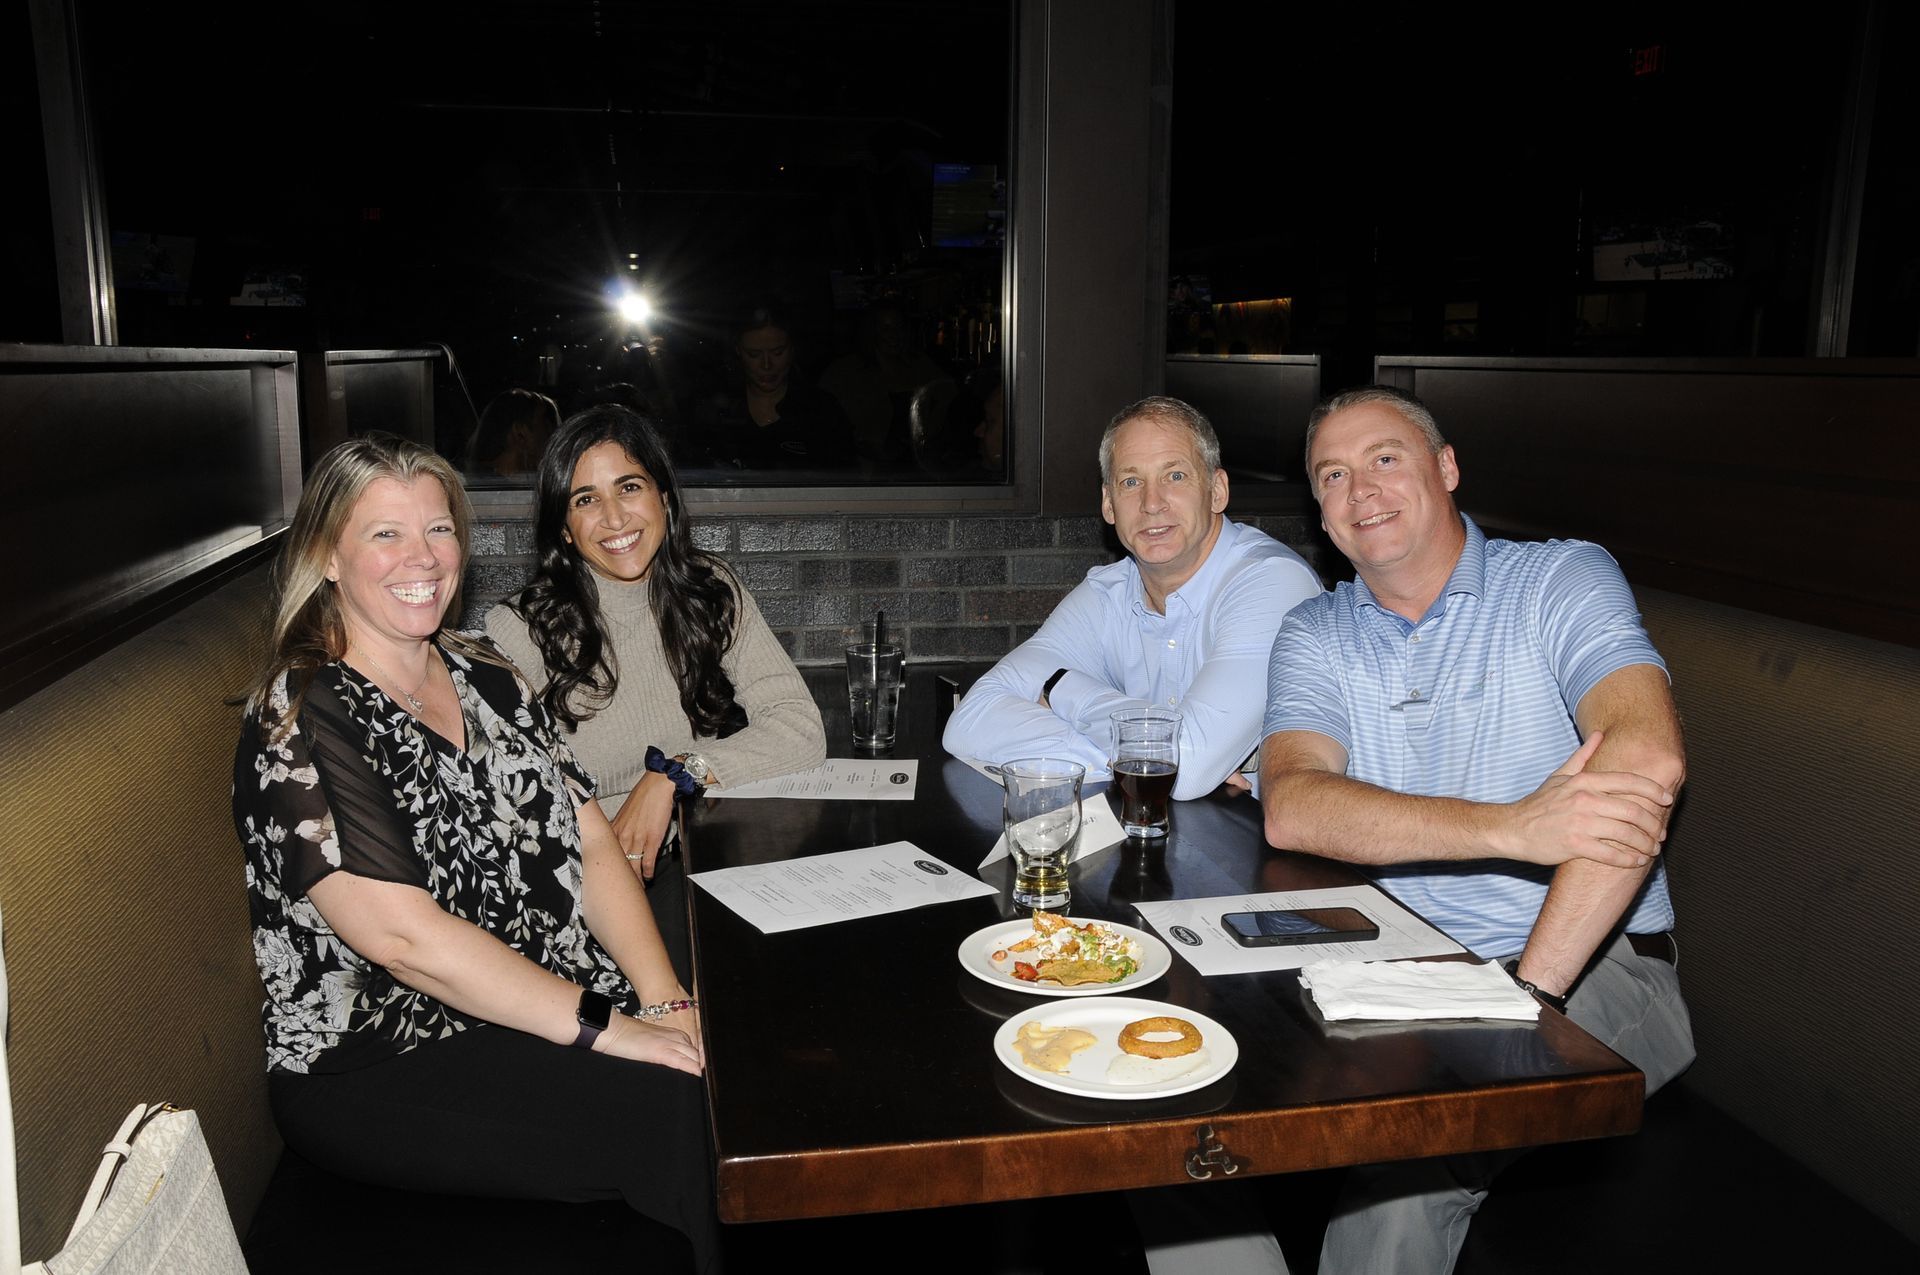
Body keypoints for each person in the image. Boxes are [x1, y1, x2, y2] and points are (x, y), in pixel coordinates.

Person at [232, 434, 718, 1270]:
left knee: (726, 1017)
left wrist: (665, 998)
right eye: (385, 533)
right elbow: (404, 941)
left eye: (439, 529)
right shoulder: (303, 715)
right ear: (327, 557)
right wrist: (610, 1028)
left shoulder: (483, 670)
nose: (422, 557)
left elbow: (588, 835)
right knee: (678, 1108)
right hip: (383, 1055)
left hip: (531, 991)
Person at [1259, 385, 1696, 1274]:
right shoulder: (1315, 630)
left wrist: (1527, 996)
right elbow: (1294, 801)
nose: (1360, 489)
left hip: (1595, 967)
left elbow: (1647, 763)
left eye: (1385, 458)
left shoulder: (1557, 580)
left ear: (1447, 467)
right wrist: (1513, 827)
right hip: (1408, 971)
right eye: (1332, 474)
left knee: (1408, 1166)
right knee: (1207, 1087)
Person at [486, 404, 825, 884]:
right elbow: (497, 797)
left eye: (629, 487)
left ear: (662, 496)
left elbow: (800, 727)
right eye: (585, 500)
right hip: (584, 878)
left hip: (697, 854)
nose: (614, 518)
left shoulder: (709, 590)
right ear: (564, 529)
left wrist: (676, 773)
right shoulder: (522, 628)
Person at [943, 395, 1322, 798]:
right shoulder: (1108, 593)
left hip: (1279, 834)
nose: (1151, 503)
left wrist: (1062, 689)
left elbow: (1187, 767)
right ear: (1109, 505)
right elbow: (968, 723)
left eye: (1175, 476)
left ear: (1216, 490)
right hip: (1164, 825)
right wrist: (1136, 761)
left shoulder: (1272, 582)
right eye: (1130, 482)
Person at [707, 302, 854, 470]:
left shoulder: (822, 410)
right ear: (738, 350)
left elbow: (845, 477)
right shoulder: (715, 410)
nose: (767, 365)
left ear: (792, 348)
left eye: (778, 353)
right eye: (754, 354)